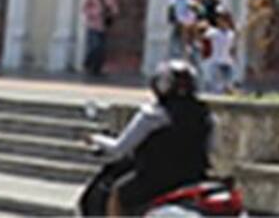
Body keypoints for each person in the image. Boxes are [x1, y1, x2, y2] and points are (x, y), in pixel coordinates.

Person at [79, 59, 214, 217]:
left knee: (117, 192)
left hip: (155, 178)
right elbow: (211, 147)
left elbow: (120, 148)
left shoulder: (153, 115)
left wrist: (95, 139)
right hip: (193, 177)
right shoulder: (206, 115)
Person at [83, 0, 119, 78]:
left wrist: (111, 13)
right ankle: (88, 63)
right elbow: (85, 8)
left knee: (101, 48)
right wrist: (94, 13)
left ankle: (97, 67)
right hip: (93, 25)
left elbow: (115, 9)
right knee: (95, 46)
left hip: (103, 26)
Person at [204, 11, 237, 95]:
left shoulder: (231, 34)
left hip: (228, 63)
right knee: (217, 87)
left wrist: (234, 58)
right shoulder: (213, 32)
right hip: (216, 62)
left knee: (228, 85)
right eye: (220, 20)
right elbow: (203, 35)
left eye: (224, 20)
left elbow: (233, 48)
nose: (221, 23)